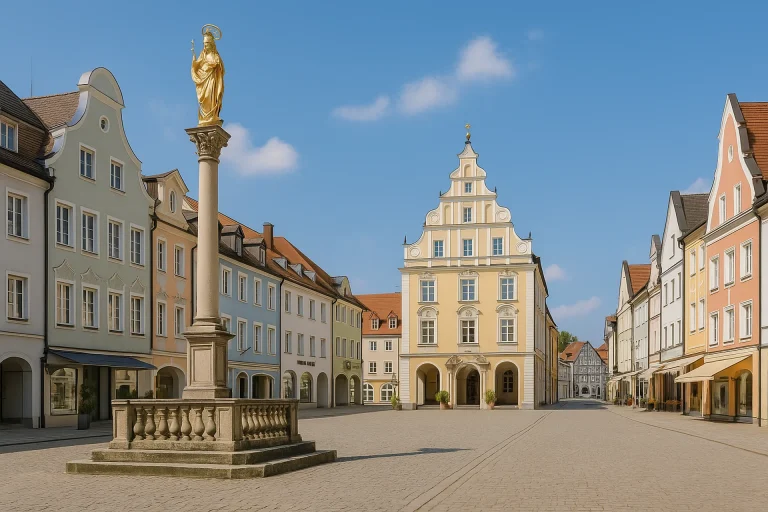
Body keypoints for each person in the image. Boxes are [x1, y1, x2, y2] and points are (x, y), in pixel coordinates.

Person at [191, 30, 225, 126]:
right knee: (204, 97)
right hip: (204, 80)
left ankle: (212, 115)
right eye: (204, 44)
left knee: (210, 97)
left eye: (207, 43)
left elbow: (220, 68)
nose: (205, 46)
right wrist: (194, 59)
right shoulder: (203, 55)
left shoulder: (215, 55)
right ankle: (206, 117)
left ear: (211, 44)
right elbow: (197, 65)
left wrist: (213, 65)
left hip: (212, 80)